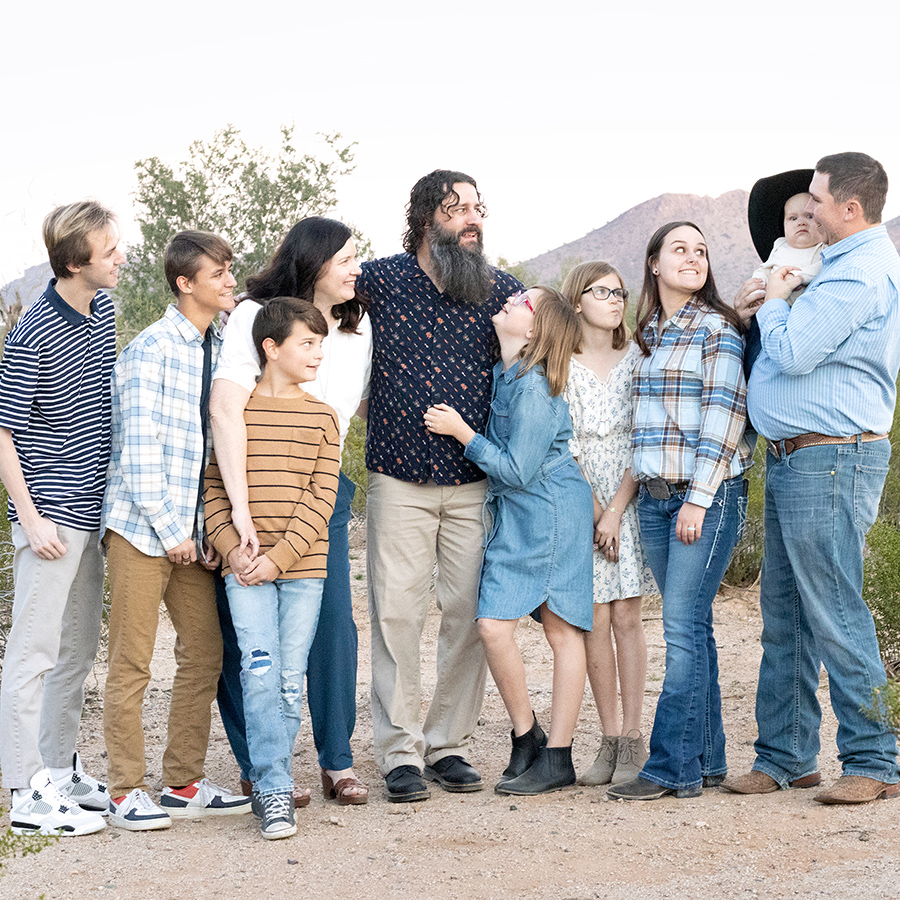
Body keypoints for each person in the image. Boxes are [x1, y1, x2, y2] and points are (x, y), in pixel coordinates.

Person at [722, 153, 900, 804]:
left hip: (831, 459)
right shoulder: (835, 268)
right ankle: (786, 756)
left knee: (835, 609)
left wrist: (771, 300)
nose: (810, 209)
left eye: (818, 200)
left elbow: (794, 352)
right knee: (787, 614)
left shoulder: (859, 276)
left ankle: (876, 760)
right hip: (800, 457)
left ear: (850, 209)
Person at [358, 170, 523, 802]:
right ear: (428, 218)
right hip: (397, 476)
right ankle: (399, 752)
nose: (473, 219)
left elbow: (547, 343)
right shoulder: (378, 280)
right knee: (396, 613)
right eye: (458, 209)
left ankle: (447, 744)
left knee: (467, 614)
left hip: (472, 482)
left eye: (479, 207)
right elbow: (311, 307)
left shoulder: (498, 290)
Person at [209, 217, 371, 806]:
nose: (358, 268)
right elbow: (226, 412)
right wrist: (238, 512)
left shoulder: (357, 326)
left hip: (321, 488)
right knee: (246, 634)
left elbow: (344, 417)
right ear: (314, 261)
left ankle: (337, 759)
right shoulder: (257, 316)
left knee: (333, 627)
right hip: (246, 489)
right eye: (348, 258)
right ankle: (261, 765)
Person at [101, 231, 251, 830]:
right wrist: (171, 532)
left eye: (230, 270)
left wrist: (207, 532)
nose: (230, 281)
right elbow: (139, 452)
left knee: (206, 651)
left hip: (190, 536)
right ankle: (122, 790)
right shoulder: (151, 348)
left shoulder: (221, 344)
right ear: (186, 283)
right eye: (219, 273)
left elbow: (213, 448)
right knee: (132, 661)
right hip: (142, 530)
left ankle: (182, 782)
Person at [425, 287, 593, 795]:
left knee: (562, 631)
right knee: (492, 625)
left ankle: (558, 755)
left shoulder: (537, 387)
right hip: (519, 515)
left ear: (536, 328)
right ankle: (527, 736)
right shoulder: (506, 373)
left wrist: (462, 433)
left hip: (551, 511)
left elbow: (518, 469)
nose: (511, 298)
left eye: (523, 300)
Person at [607, 222, 752, 801]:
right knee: (697, 629)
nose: (692, 258)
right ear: (654, 263)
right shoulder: (647, 333)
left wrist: (697, 498)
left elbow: (725, 419)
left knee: (682, 631)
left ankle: (671, 768)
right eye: (679, 249)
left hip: (704, 499)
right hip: (655, 500)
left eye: (700, 251)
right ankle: (709, 760)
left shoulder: (717, 329)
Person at [0, 201, 122, 836]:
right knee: (33, 652)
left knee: (75, 651)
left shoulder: (101, 311)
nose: (121, 257)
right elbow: (4, 434)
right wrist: (31, 518)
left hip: (93, 515)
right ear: (76, 262)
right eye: (109, 251)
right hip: (50, 519)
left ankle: (56, 768)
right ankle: (24, 793)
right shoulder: (35, 329)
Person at [205, 298, 341, 839]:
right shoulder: (236, 416)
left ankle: (271, 781)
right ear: (271, 347)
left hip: (302, 570)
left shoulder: (323, 417)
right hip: (242, 568)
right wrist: (230, 547)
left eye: (321, 345)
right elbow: (214, 490)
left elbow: (322, 499)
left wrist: (278, 559)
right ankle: (275, 788)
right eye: (306, 344)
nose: (317, 355)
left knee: (288, 680)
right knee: (258, 672)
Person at [560, 262, 656, 787]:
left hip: (630, 489)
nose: (616, 300)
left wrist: (616, 509)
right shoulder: (561, 363)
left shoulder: (639, 358)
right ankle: (610, 738)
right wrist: (595, 511)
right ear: (578, 300)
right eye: (603, 292)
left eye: (620, 292)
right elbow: (564, 443)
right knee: (594, 618)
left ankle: (636, 739)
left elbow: (644, 438)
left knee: (626, 617)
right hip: (582, 496)